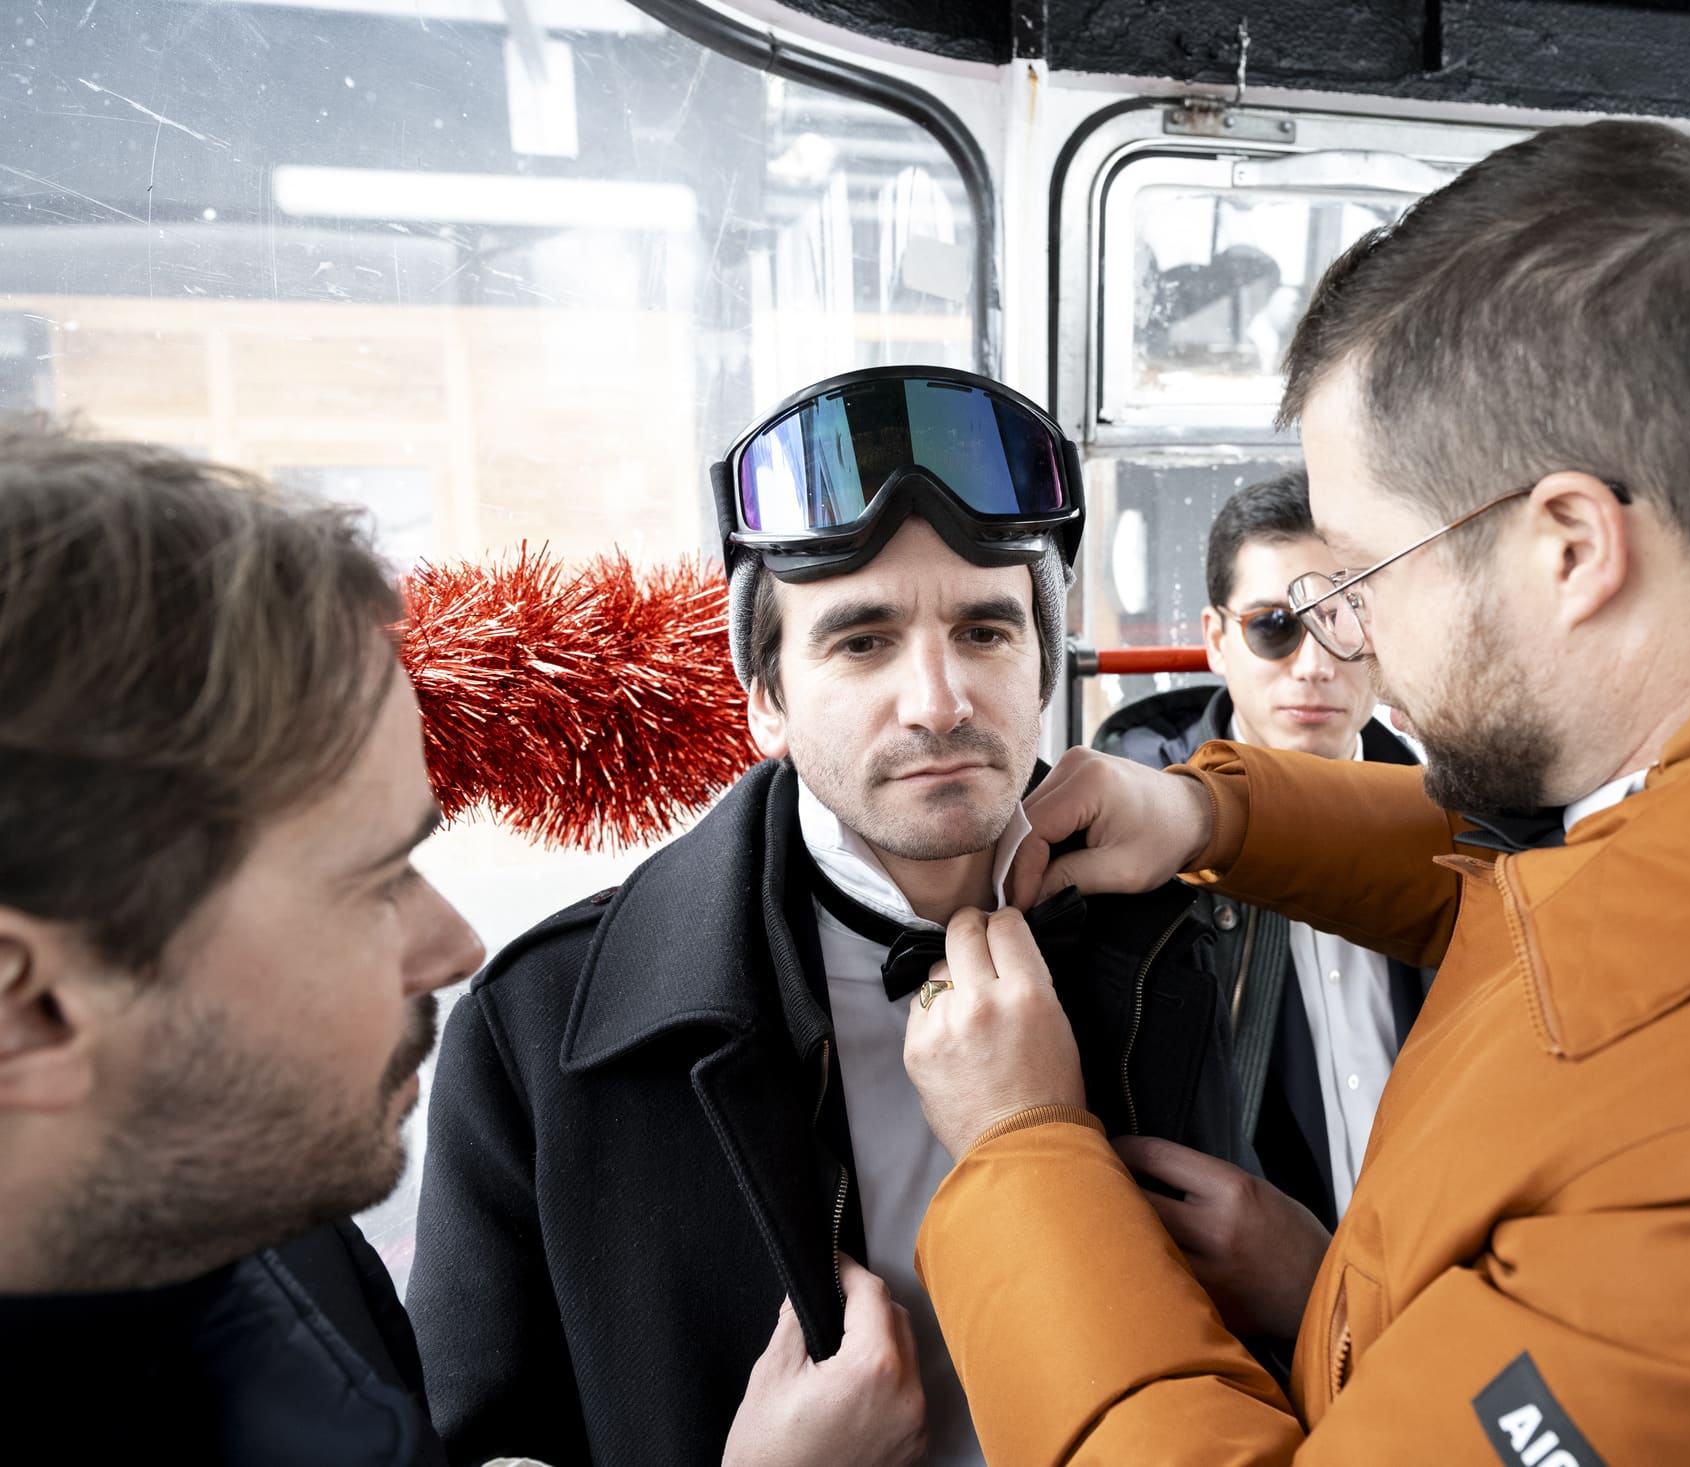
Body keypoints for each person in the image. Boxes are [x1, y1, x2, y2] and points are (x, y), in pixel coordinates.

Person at [897, 120, 1690, 1463]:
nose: (1354, 637)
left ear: (1571, 546)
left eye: (1363, 575)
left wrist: (1023, 1148)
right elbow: (1650, 887)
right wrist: (1217, 815)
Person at [0, 420, 928, 1467]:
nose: (455, 943)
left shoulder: (272, 1242)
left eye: (987, 629)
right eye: (370, 881)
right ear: (29, 1006)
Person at [406, 366, 1248, 1467]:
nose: (939, 700)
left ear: (1043, 665)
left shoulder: (1187, 940)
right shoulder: (543, 1029)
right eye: (862, 641)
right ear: (765, 698)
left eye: (988, 631)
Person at [1091, 471, 1550, 1344]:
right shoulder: (1135, 851)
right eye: (1274, 626)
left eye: (1348, 618)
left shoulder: (1474, 822)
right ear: (1216, 640)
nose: (1314, 662)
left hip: (1439, 1308)